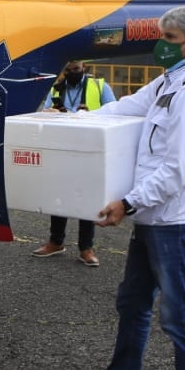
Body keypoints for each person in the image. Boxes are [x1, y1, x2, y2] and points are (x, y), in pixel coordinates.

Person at [67, 5, 185, 370]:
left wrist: (128, 203)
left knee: (179, 318)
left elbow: (179, 169)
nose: (162, 45)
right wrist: (67, 122)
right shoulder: (169, 82)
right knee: (133, 303)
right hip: (156, 220)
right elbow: (124, 108)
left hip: (179, 223)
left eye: (171, 38)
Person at [32, 60, 116, 267]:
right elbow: (43, 114)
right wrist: (50, 113)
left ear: (84, 67)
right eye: (68, 70)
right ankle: (56, 242)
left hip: (90, 150)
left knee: (86, 198)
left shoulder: (100, 87)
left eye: (76, 70)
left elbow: (116, 115)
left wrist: (93, 115)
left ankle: (86, 248)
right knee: (59, 197)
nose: (72, 73)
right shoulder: (56, 89)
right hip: (61, 149)